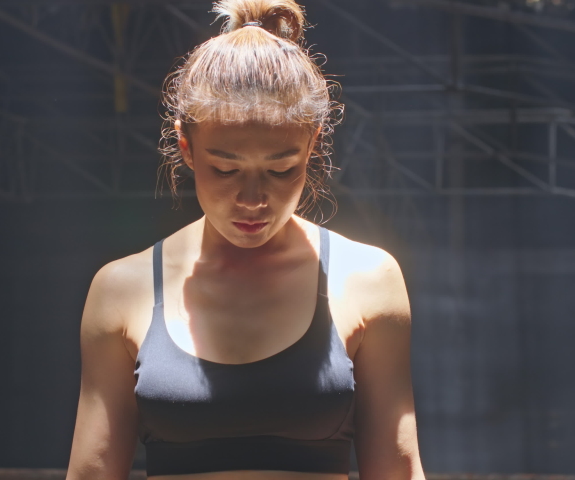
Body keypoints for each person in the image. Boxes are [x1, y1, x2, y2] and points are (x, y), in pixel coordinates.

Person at [65, 0, 425, 479]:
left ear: (312, 144)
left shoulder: (366, 279)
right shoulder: (122, 290)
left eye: (281, 170)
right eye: (226, 169)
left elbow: (398, 471)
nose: (253, 198)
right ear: (186, 148)